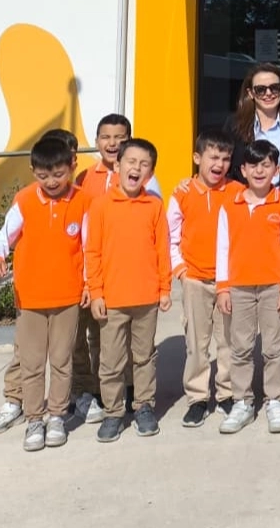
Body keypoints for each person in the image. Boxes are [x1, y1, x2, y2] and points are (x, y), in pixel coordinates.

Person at [0, 136, 89, 451]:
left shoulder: (83, 201)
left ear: (71, 167)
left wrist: (89, 284)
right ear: (33, 171)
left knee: (61, 360)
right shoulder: (26, 200)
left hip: (68, 297)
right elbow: (2, 237)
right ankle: (33, 419)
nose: (51, 182)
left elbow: (90, 247)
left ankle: (56, 416)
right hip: (30, 298)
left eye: (58, 174)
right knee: (31, 363)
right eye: (43, 176)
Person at [72, 114, 161, 425]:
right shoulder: (87, 180)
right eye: (106, 137)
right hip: (102, 282)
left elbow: (158, 240)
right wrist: (92, 285)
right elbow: (89, 240)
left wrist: (162, 287)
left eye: (119, 137)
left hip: (139, 289)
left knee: (139, 350)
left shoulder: (150, 193)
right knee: (101, 344)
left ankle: (138, 397)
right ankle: (103, 398)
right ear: (98, 141)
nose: (112, 143)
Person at [86, 138, 172, 443]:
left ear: (150, 173)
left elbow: (162, 249)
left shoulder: (154, 206)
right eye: (131, 161)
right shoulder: (100, 206)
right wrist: (96, 292)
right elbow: (92, 252)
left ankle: (143, 406)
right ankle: (113, 411)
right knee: (111, 359)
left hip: (146, 299)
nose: (136, 168)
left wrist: (164, 288)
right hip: (112, 300)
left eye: (144, 164)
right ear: (117, 165)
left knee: (144, 357)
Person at [215, 139, 280, 435]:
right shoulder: (230, 205)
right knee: (240, 347)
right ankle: (243, 402)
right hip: (238, 287)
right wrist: (223, 287)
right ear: (243, 170)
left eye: (266, 165)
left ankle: (276, 400)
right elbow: (222, 247)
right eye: (253, 165)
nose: (259, 171)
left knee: (275, 348)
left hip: (273, 286)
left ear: (277, 170)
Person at [168, 129, 241, 429]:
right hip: (195, 279)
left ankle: (227, 393)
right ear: (197, 158)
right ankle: (197, 397)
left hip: (228, 282)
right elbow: (171, 236)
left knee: (228, 340)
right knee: (197, 344)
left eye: (225, 158)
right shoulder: (182, 193)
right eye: (213, 157)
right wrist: (181, 270)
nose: (219, 164)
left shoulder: (238, 191)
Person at [225, 63, 280, 186]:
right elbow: (224, 162)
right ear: (251, 93)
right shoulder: (234, 125)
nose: (268, 93)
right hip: (244, 194)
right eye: (260, 90)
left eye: (274, 88)